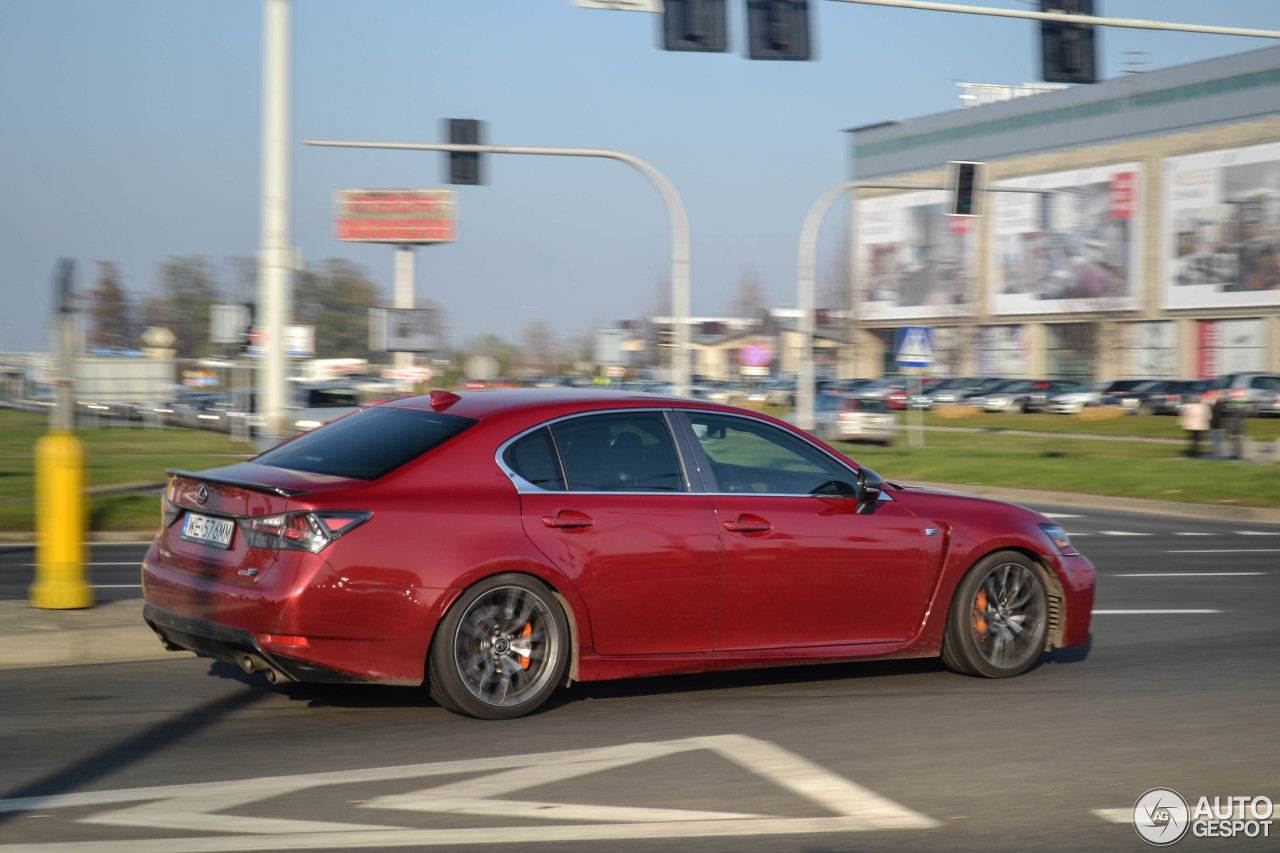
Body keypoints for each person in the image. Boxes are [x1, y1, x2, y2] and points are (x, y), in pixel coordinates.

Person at [1209, 394, 1228, 459]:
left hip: (1214, 425)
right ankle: (1220, 452)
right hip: (1220, 425)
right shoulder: (1222, 406)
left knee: (1215, 439)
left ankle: (1215, 451)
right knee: (1220, 439)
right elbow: (1224, 414)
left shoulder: (1213, 407)